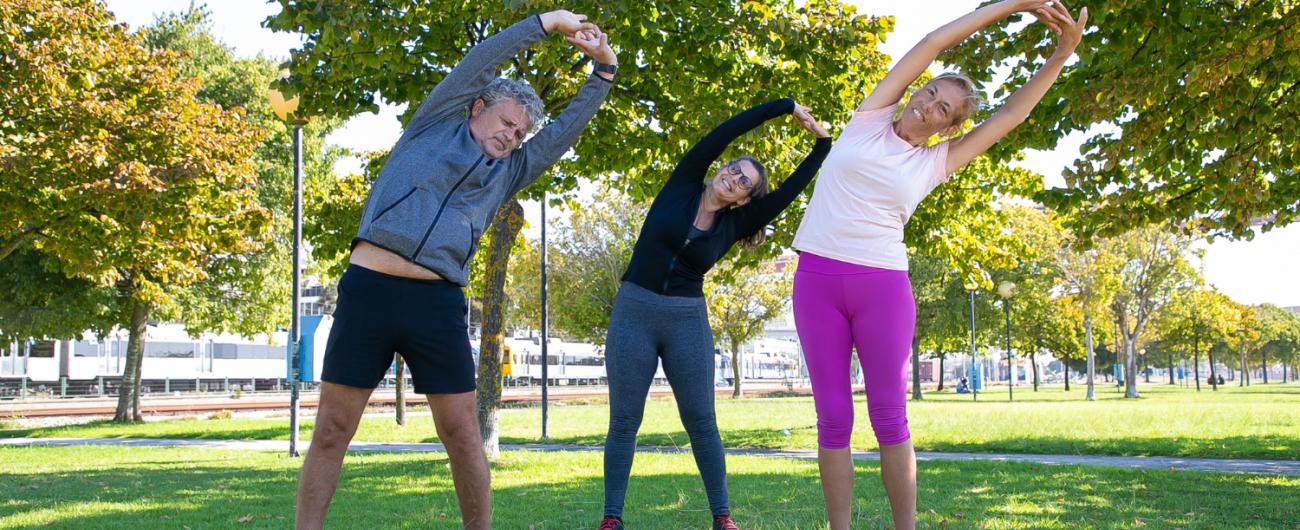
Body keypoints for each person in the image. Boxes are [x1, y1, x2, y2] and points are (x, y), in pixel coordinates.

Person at [294, 11, 617, 530]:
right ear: (477, 108)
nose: (511, 136)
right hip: (370, 291)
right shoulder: (435, 122)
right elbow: (480, 61)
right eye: (506, 123)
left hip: (437, 302)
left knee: (463, 434)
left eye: (520, 132)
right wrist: (546, 23)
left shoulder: (511, 169)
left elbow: (563, 133)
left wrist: (603, 71)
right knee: (332, 427)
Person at [789, 2, 1089, 529]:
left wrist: (1061, 55)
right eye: (930, 92)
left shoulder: (934, 162)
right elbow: (932, 43)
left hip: (881, 287)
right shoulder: (868, 121)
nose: (929, 105)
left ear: (948, 128)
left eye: (944, 109)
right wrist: (1016, 4)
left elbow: (1011, 117)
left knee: (889, 416)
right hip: (817, 282)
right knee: (832, 419)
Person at [599, 99, 831, 530]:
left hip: (686, 321)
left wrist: (822, 145)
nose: (734, 178)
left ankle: (722, 517)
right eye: (734, 169)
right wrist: (785, 107)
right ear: (721, 167)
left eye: (744, 182)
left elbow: (789, 192)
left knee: (702, 421)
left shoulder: (736, 224)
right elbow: (727, 130)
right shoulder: (684, 183)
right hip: (634, 311)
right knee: (625, 420)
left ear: (745, 198)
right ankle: (611, 518)